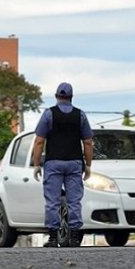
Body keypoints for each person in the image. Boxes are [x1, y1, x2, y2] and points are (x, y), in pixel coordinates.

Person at [32, 82, 93, 248]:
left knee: (53, 201)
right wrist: (88, 165)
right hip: (74, 163)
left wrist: (36, 164)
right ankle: (74, 237)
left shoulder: (48, 114)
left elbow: (39, 141)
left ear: (56, 96)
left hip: (53, 162)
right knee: (74, 201)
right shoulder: (80, 115)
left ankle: (52, 237)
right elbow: (88, 142)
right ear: (71, 97)